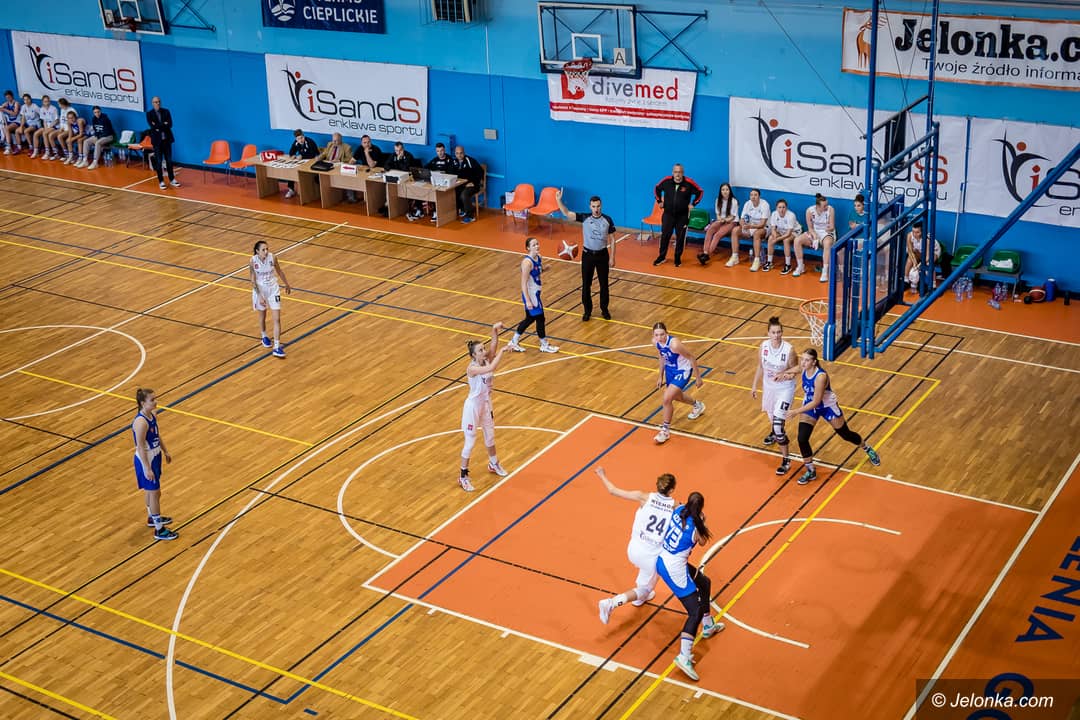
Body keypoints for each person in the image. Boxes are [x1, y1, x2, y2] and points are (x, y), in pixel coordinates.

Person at [784, 348, 881, 485]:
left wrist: (796, 411)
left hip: (826, 406)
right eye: (802, 359)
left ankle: (867, 448)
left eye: (807, 360)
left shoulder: (821, 376)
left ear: (814, 362)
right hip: (810, 406)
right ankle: (810, 470)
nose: (803, 362)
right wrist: (784, 373)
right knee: (802, 438)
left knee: (845, 434)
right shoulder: (804, 367)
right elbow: (798, 368)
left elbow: (816, 401)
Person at [595, 466, 676, 624]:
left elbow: (613, 491)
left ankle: (640, 598)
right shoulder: (676, 506)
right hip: (650, 555)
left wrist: (602, 475)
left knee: (645, 579)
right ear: (672, 490)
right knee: (646, 587)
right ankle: (611, 603)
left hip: (633, 548)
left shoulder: (643, 497)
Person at [655, 492, 722, 682]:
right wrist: (702, 521)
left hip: (665, 559)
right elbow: (702, 542)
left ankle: (708, 625)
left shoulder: (678, 510)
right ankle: (684, 656)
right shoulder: (696, 527)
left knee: (704, 583)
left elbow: (675, 504)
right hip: (674, 569)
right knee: (695, 612)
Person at [459, 322, 510, 492]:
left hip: (486, 404)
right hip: (472, 407)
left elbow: (493, 346)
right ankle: (463, 476)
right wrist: (503, 351)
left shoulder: (485, 359)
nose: (484, 351)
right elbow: (492, 366)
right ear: (473, 355)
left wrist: (494, 330)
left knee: (490, 436)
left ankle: (493, 463)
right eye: (480, 350)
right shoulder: (472, 368)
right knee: (470, 442)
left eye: (483, 349)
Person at [555, 189, 616, 321]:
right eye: (593, 206)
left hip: (602, 255)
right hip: (587, 255)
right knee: (586, 285)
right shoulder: (584, 218)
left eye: (598, 206)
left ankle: (604, 309)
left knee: (604, 285)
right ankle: (587, 311)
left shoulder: (607, 219)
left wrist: (612, 257)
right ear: (590, 207)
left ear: (601, 206)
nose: (596, 209)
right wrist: (558, 200)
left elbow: (612, 239)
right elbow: (566, 213)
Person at [750, 317, 798, 475]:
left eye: (779, 332)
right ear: (768, 333)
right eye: (773, 332)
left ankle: (786, 460)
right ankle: (774, 432)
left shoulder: (789, 350)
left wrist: (786, 374)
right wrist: (754, 385)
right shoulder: (763, 346)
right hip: (769, 388)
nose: (776, 335)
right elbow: (760, 366)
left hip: (785, 389)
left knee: (778, 426)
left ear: (782, 332)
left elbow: (796, 369)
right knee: (774, 420)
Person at [132, 388, 179, 541]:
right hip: (146, 459)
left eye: (155, 398)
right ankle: (159, 530)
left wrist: (165, 451)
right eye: (152, 400)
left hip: (155, 454)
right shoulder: (140, 422)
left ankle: (152, 518)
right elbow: (140, 447)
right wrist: (147, 468)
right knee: (155, 493)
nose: (155, 402)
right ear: (142, 403)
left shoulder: (152, 414)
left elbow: (157, 435)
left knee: (152, 492)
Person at [652, 322, 705, 444]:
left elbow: (691, 357)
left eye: (662, 334)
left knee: (667, 398)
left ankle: (665, 431)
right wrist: (660, 376)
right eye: (656, 335)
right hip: (670, 370)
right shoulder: (655, 342)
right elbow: (662, 357)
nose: (659, 337)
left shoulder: (674, 345)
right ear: (653, 335)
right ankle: (697, 405)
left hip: (683, 370)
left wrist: (698, 377)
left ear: (667, 333)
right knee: (676, 396)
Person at [508, 237, 559, 354]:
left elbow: (536, 272)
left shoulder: (539, 257)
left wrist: (545, 269)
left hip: (536, 293)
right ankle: (544, 344)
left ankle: (513, 341)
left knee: (530, 318)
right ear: (528, 248)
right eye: (534, 245)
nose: (537, 246)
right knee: (540, 318)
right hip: (531, 294)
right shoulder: (527, 263)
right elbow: (523, 283)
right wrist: (528, 300)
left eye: (537, 244)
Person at [652, 164, 703, 267]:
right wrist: (659, 201)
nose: (677, 174)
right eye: (675, 172)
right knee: (665, 236)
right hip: (668, 214)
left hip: (682, 216)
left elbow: (700, 192)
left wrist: (693, 204)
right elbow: (656, 188)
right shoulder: (666, 181)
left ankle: (677, 258)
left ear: (683, 173)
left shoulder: (689, 183)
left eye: (679, 172)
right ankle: (661, 257)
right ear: (672, 172)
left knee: (680, 238)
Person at [249, 240, 292, 358]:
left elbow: (279, 271)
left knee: (277, 318)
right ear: (257, 251)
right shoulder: (253, 261)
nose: (266, 251)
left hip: (273, 289)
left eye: (267, 249)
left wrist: (287, 284)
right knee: (262, 315)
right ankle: (264, 336)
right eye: (263, 250)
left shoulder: (273, 257)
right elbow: (252, 279)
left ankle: (277, 347)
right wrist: (259, 295)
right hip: (260, 290)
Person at [793, 194, 836, 281]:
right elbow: (810, 228)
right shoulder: (809, 211)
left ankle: (825, 271)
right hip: (814, 232)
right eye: (824, 206)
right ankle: (800, 267)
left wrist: (824, 231)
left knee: (827, 243)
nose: (826, 207)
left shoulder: (830, 209)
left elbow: (831, 227)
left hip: (827, 232)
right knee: (797, 240)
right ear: (818, 206)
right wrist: (815, 236)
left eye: (827, 204)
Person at [727, 188, 769, 268]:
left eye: (755, 195)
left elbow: (762, 224)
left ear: (759, 196)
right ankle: (735, 257)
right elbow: (741, 219)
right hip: (750, 226)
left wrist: (750, 226)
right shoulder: (747, 204)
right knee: (735, 230)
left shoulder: (765, 205)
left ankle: (757, 260)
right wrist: (743, 225)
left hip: (763, 228)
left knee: (757, 234)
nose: (753, 197)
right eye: (751, 195)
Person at [697, 183, 738, 265]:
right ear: (720, 191)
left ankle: (707, 255)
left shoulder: (734, 201)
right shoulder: (718, 200)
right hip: (721, 221)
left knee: (717, 235)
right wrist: (720, 220)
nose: (725, 191)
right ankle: (705, 252)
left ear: (730, 191)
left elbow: (732, 217)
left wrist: (724, 220)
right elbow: (718, 214)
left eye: (727, 189)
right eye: (723, 190)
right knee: (710, 230)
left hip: (731, 222)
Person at [147, 96, 180, 189]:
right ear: (152, 103)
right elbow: (152, 126)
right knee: (159, 161)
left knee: (169, 161)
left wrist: (158, 126)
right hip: (157, 142)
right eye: (155, 102)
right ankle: (161, 181)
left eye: (159, 101)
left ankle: (172, 179)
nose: (157, 103)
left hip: (167, 140)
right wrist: (163, 124)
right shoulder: (149, 114)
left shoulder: (166, 111)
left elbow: (170, 124)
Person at [416, 142, 454, 222]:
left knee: (435, 192)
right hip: (435, 182)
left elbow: (451, 173)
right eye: (438, 151)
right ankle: (419, 210)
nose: (440, 153)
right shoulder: (434, 160)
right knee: (419, 189)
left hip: (445, 184)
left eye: (441, 150)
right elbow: (425, 168)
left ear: (444, 150)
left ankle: (436, 212)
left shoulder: (449, 160)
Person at [761, 199, 800, 273]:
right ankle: (769, 262)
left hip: (794, 232)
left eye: (783, 207)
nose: (781, 209)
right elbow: (773, 229)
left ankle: (788, 265)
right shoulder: (774, 214)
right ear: (776, 208)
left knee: (786, 240)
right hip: (781, 231)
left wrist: (777, 239)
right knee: (770, 238)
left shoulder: (791, 215)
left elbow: (788, 234)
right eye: (779, 207)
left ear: (786, 208)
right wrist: (774, 235)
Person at [317, 132, 356, 202]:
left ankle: (350, 197)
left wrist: (339, 160)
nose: (334, 142)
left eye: (336, 141)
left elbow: (350, 159)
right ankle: (325, 195)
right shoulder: (330, 144)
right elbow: (325, 153)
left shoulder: (346, 147)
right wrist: (319, 157)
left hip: (339, 166)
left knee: (346, 177)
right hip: (328, 164)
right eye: (333, 140)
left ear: (340, 140)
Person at [451, 145, 484, 223]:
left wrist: (473, 182)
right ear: (455, 154)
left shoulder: (471, 161)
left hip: (473, 185)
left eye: (461, 153)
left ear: (464, 153)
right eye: (457, 153)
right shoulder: (454, 162)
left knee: (464, 194)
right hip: (460, 184)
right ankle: (462, 209)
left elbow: (480, 172)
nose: (459, 155)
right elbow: (450, 173)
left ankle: (470, 216)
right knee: (453, 192)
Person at [283, 128, 318, 198]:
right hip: (303, 162)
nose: (300, 140)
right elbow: (291, 152)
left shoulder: (310, 141)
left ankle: (308, 191)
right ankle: (291, 189)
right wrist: (292, 156)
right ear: (296, 139)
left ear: (304, 136)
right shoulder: (296, 143)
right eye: (298, 139)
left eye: (302, 138)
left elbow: (313, 154)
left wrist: (302, 156)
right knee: (291, 170)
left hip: (313, 160)